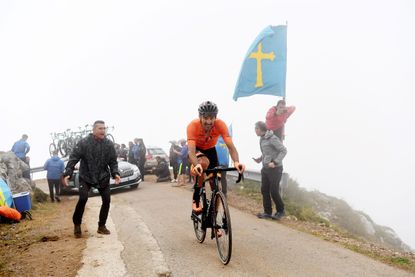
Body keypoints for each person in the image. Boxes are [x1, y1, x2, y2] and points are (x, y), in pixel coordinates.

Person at [62, 120, 120, 238]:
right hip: (86, 176)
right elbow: (74, 158)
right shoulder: (84, 142)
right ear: (93, 130)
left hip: (102, 176)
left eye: (104, 128)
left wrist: (115, 173)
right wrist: (68, 172)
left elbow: (113, 161)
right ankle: (77, 225)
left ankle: (101, 226)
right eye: (100, 128)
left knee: (107, 200)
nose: (103, 131)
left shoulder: (108, 144)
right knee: (83, 198)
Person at [187, 101, 245, 212]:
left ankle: (214, 219)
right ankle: (196, 197)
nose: (209, 121)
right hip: (196, 150)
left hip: (211, 150)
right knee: (203, 163)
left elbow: (231, 147)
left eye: (212, 118)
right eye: (206, 118)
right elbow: (191, 152)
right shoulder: (192, 126)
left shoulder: (220, 125)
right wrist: (196, 164)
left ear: (215, 117)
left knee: (217, 188)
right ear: (200, 117)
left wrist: (236, 162)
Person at [253, 121, 287, 220]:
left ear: (261, 129)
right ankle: (267, 212)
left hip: (275, 169)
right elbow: (266, 152)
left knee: (274, 191)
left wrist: (275, 162)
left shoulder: (272, 138)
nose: (255, 131)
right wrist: (260, 159)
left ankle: (280, 211)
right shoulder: (262, 139)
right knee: (264, 190)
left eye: (256, 129)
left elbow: (284, 150)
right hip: (265, 168)